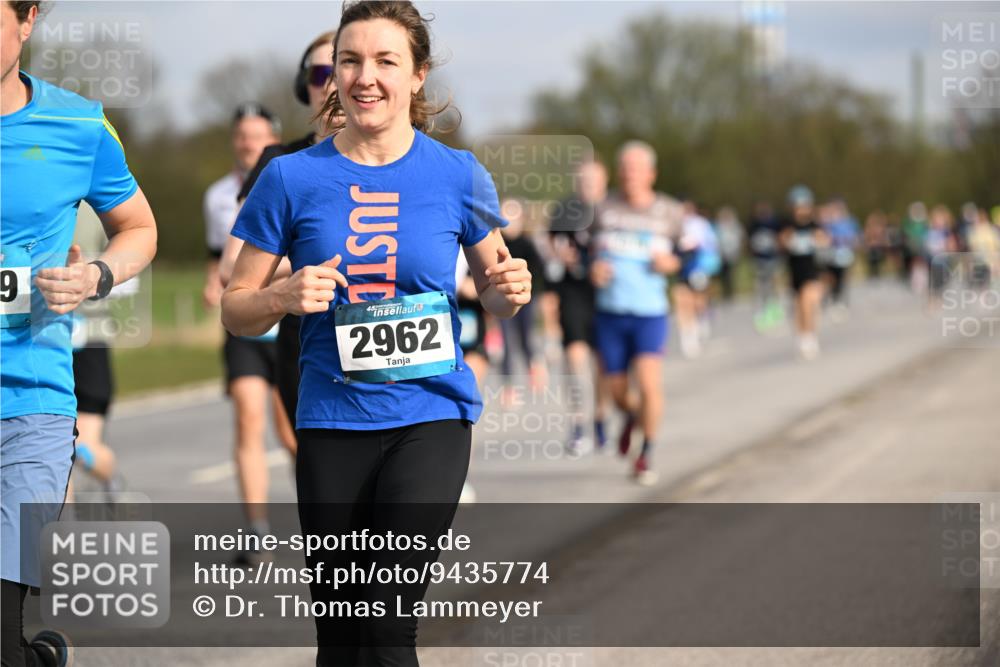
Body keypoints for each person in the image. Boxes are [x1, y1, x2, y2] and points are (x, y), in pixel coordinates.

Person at [221, 2, 531, 664]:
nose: (366, 77)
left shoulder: (457, 173)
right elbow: (235, 305)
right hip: (331, 419)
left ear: (417, 76)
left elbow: (498, 288)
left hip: (431, 416)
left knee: (388, 619)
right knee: (340, 632)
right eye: (350, 61)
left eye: (386, 61)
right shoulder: (289, 176)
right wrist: (280, 294)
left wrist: (510, 293)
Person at [1, 3, 157, 665]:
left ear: (28, 17)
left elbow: (140, 229)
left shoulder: (77, 123)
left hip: (31, 397)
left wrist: (96, 273)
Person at [220, 30, 339, 432]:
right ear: (305, 85)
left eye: (348, 65)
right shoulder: (279, 162)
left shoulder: (408, 157)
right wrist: (304, 268)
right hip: (304, 339)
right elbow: (230, 268)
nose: (336, 81)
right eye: (323, 71)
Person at [204, 103, 295, 565]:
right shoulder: (218, 196)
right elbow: (220, 262)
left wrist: (272, 282)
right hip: (243, 329)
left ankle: (319, 522)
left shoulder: (293, 177)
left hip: (288, 331)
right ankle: (255, 528)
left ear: (272, 140)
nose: (248, 144)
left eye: (257, 136)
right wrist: (216, 282)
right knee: (247, 417)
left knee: (293, 434)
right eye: (242, 135)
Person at [590, 141, 681, 484]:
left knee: (648, 382)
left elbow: (693, 256)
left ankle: (646, 453)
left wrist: (670, 263)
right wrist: (593, 269)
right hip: (610, 312)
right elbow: (584, 252)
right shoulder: (603, 209)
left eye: (636, 169)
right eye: (625, 168)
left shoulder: (669, 212)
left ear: (651, 174)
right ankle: (630, 417)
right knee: (617, 392)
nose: (629, 175)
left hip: (649, 312)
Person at [548, 159, 608, 454]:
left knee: (603, 364)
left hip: (606, 296)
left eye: (594, 181)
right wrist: (562, 255)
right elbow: (552, 244)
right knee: (574, 359)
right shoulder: (564, 210)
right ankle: (578, 423)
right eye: (584, 181)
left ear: (604, 182)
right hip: (573, 292)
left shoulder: (614, 211)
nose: (589, 187)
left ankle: (601, 419)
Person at [498, 198, 546, 388]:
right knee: (506, 342)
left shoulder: (527, 244)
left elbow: (539, 273)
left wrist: (537, 296)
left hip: (525, 300)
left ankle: (534, 369)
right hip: (502, 299)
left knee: (526, 337)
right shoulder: (496, 243)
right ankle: (508, 386)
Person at [780, 185, 828, 360]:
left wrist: (819, 239)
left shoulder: (814, 225)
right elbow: (782, 244)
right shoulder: (787, 225)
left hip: (812, 270)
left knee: (809, 303)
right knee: (799, 306)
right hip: (794, 271)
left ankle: (810, 337)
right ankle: (802, 336)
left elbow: (825, 243)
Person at [672, 198, 721, 359]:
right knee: (682, 301)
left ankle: (701, 321)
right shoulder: (673, 223)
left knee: (697, 300)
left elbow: (710, 244)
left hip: (697, 267)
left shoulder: (700, 224)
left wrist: (708, 264)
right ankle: (688, 337)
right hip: (680, 267)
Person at [748, 200, 785, 333]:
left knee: (775, 283)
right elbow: (749, 242)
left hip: (773, 259)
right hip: (759, 261)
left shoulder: (774, 223)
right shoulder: (753, 224)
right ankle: (763, 310)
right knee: (761, 286)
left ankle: (776, 307)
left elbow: (781, 239)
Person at [713, 206, 743, 301]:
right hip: (722, 253)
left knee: (731, 273)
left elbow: (740, 238)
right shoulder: (718, 226)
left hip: (732, 253)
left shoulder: (735, 225)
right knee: (724, 274)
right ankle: (725, 291)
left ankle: (731, 291)